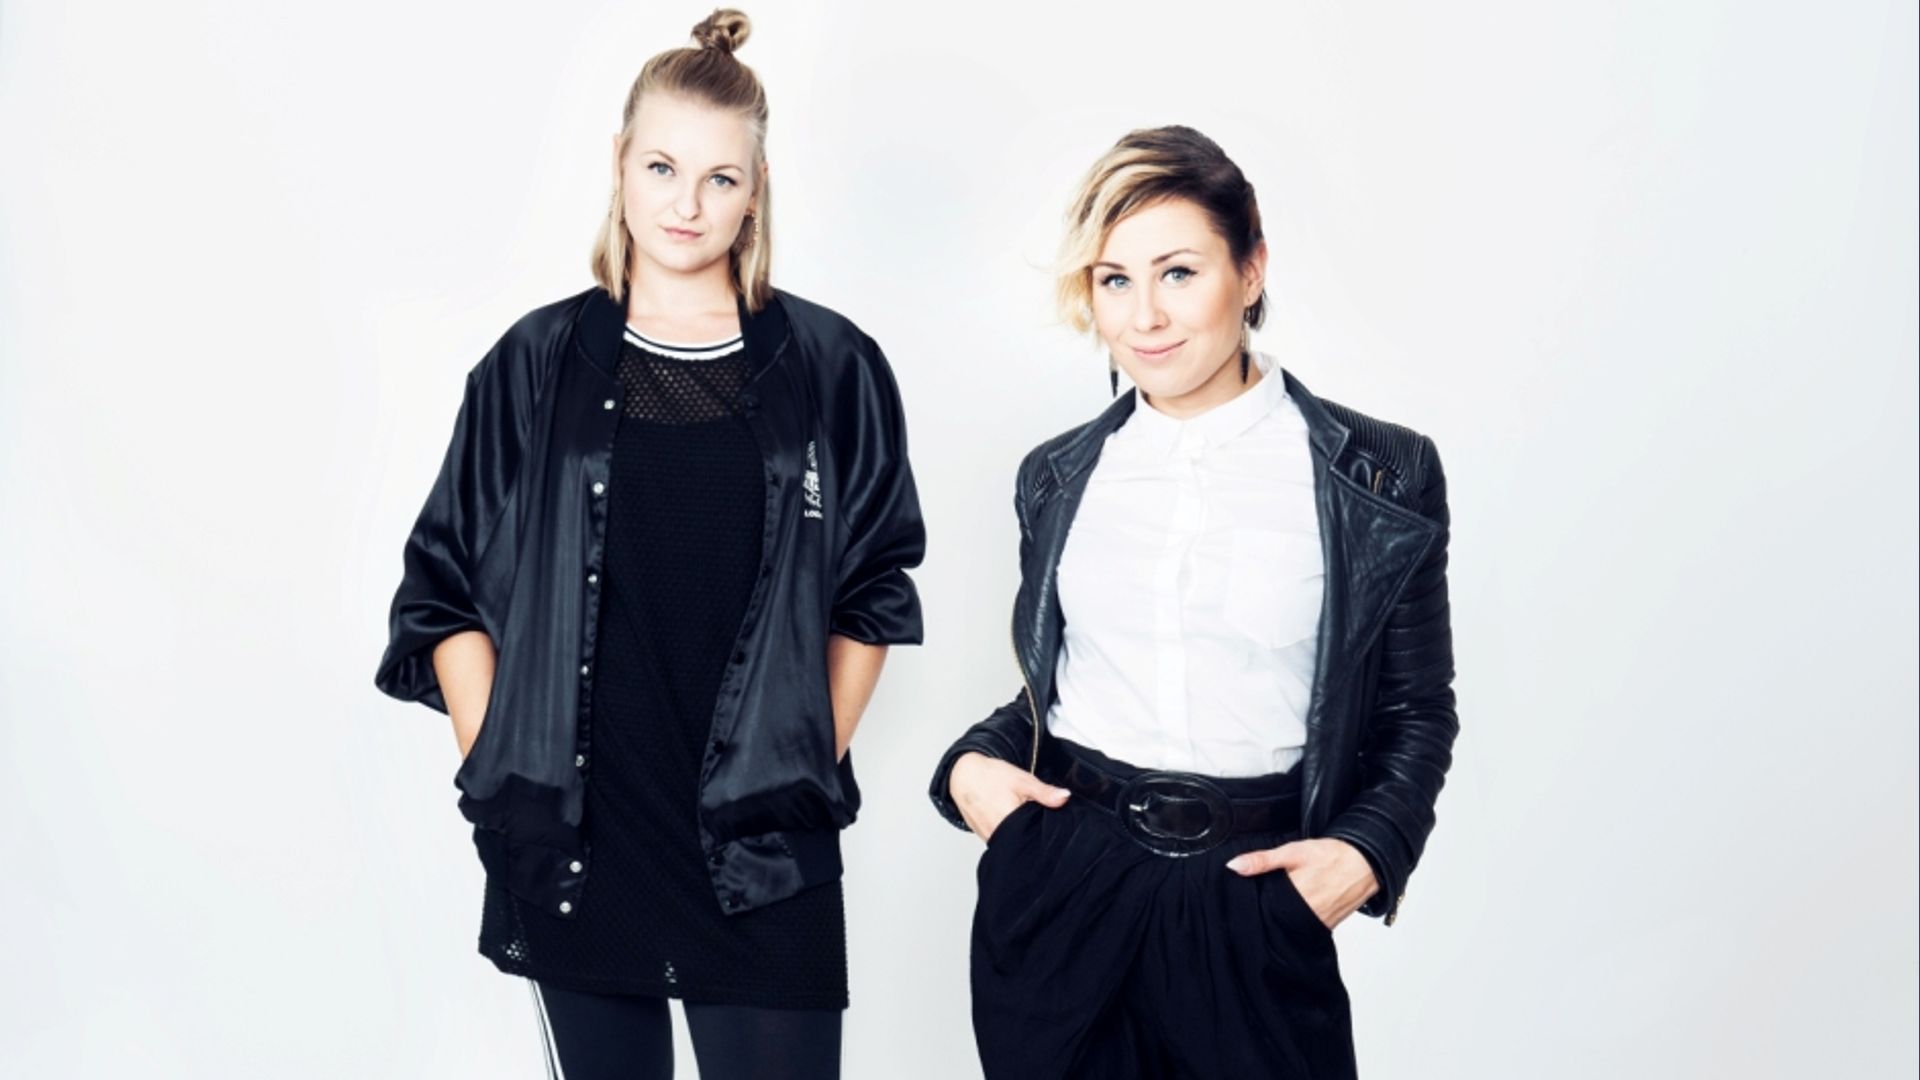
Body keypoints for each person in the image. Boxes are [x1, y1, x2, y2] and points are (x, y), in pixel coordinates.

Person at [374, 11, 925, 1078]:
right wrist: (505, 767)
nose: (687, 204)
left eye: (721, 178)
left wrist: (804, 756)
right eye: (663, 167)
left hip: (761, 854)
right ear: (619, 163)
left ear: (756, 191)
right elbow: (441, 589)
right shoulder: (534, 365)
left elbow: (874, 585)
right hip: (580, 849)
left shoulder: (832, 366)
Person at [929, 125, 1459, 1079]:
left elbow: (1417, 709)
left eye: (1178, 272)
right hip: (1066, 891)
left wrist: (1368, 854)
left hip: (1254, 897)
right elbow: (1059, 685)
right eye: (1114, 279)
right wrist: (970, 768)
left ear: (1250, 271)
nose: (1145, 316)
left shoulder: (1379, 473)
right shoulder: (1058, 476)